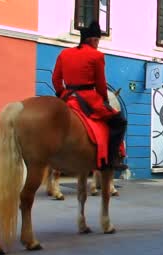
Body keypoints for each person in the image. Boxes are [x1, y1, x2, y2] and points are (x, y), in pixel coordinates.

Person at [52, 20, 127, 171]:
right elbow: (100, 84)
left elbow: (55, 79)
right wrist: (104, 100)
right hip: (87, 98)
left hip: (67, 96)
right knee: (119, 122)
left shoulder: (64, 53)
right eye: (98, 40)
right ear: (92, 39)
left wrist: (62, 94)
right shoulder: (97, 56)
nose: (98, 43)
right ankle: (111, 160)